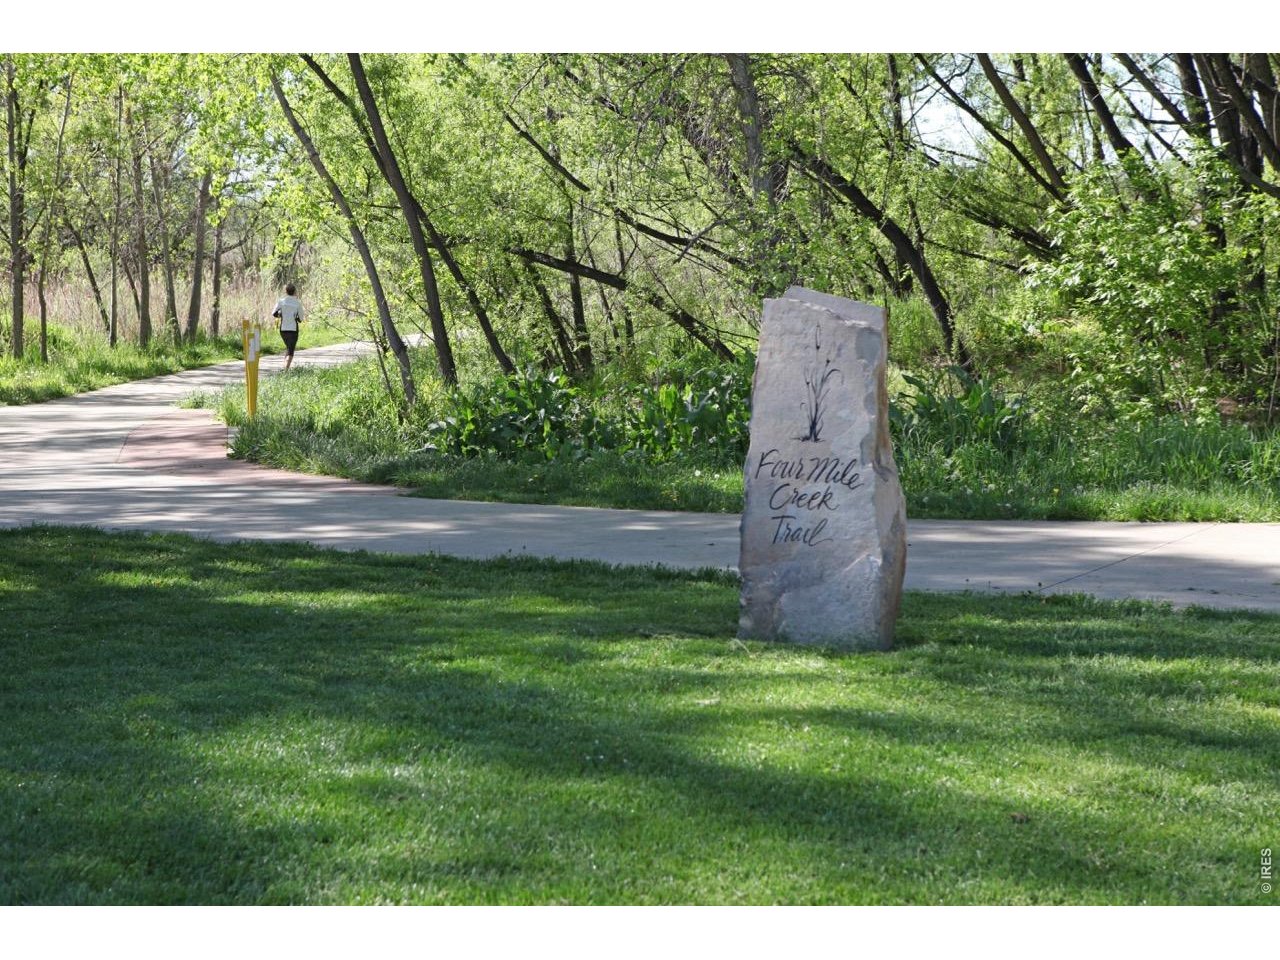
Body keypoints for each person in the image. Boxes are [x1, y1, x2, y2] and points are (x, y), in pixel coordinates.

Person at [272, 283, 304, 371]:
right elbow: (301, 319)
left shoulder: (281, 301)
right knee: (291, 350)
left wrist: (281, 314)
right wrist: (295, 317)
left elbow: (274, 313)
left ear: (285, 291)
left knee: (288, 348)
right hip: (293, 329)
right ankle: (286, 370)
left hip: (283, 329)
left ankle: (284, 367)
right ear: (295, 292)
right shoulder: (297, 303)